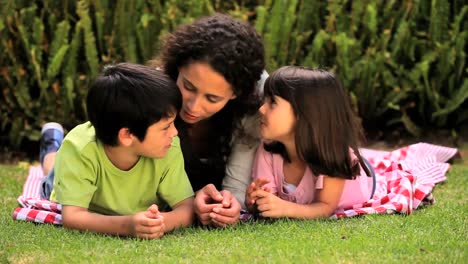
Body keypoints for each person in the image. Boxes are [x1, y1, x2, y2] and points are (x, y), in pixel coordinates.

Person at [39, 63, 194, 239]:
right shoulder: (79, 149)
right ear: (127, 135)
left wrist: (159, 223)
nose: (175, 133)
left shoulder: (168, 146)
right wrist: (126, 226)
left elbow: (187, 208)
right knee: (51, 173)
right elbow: (72, 217)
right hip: (69, 176)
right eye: (166, 127)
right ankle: (51, 143)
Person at [152, 13, 266, 227]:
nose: (193, 106)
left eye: (212, 98)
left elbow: (236, 183)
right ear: (178, 67)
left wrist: (229, 206)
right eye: (188, 86)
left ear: (236, 93)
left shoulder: (255, 102)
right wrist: (187, 203)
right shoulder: (153, 92)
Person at [245, 66, 375, 219]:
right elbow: (270, 203)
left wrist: (286, 209)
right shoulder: (267, 150)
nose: (261, 109)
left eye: (272, 102)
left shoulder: (331, 154)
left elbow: (325, 208)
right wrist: (256, 201)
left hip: (361, 181)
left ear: (305, 114)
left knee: (364, 163)